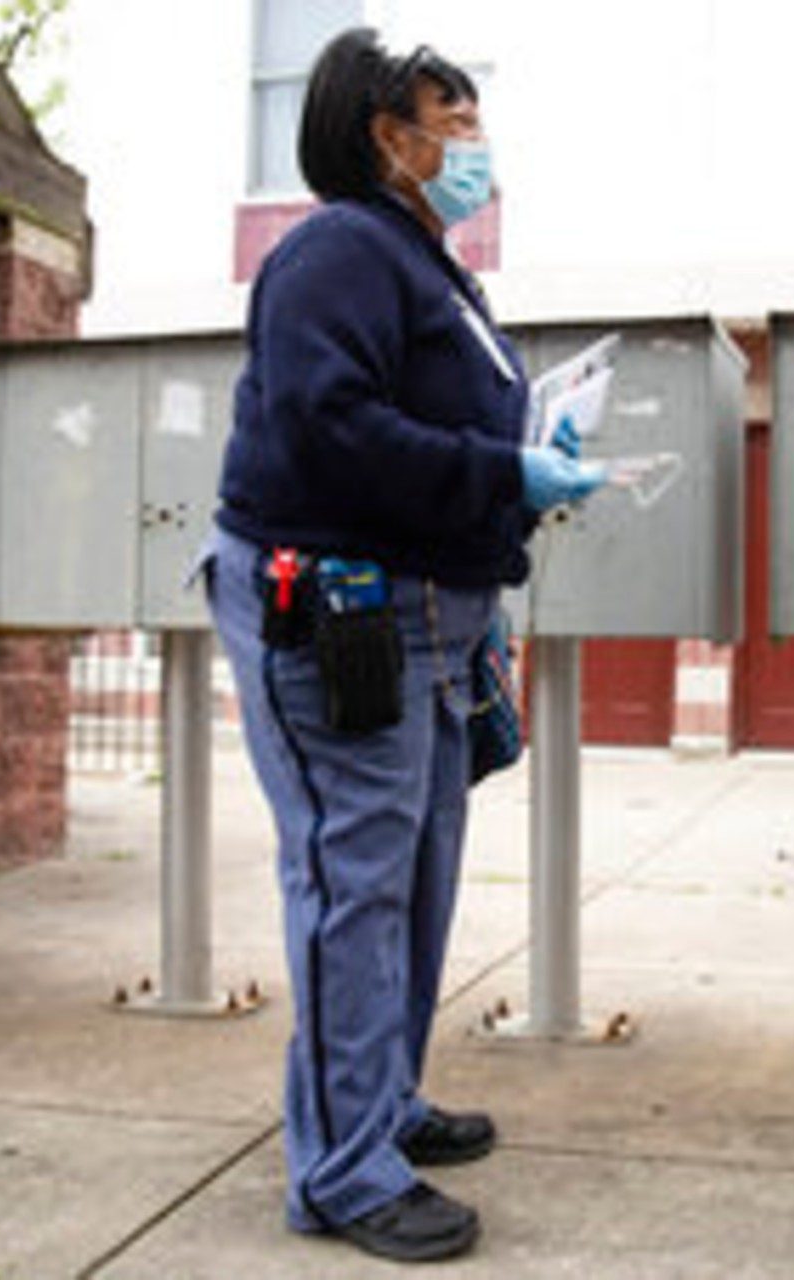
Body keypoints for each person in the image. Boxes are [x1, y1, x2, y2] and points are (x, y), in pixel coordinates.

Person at [203, 29, 602, 1264]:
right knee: (352, 885)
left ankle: (377, 1105)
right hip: (341, 611)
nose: (475, 146)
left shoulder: (415, 258)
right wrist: (506, 468)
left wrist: (524, 475)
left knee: (413, 873)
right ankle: (338, 1172)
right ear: (391, 134)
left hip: (426, 611)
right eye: (456, 120)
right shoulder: (336, 249)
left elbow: (415, 424)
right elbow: (333, 428)